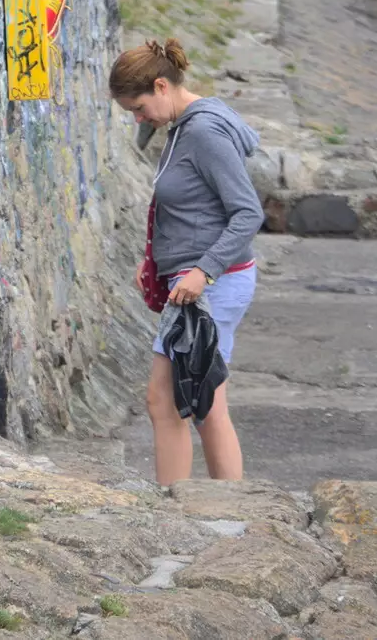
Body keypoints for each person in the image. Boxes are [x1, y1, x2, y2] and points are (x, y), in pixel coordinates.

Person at [110, 39, 264, 485]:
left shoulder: (203, 132)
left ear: (161, 86)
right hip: (198, 280)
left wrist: (203, 271)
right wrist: (152, 260)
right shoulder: (182, 124)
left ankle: (174, 511)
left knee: (165, 400)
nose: (140, 120)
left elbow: (247, 212)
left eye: (139, 109)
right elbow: (185, 208)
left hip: (210, 285)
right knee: (205, 402)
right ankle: (226, 508)